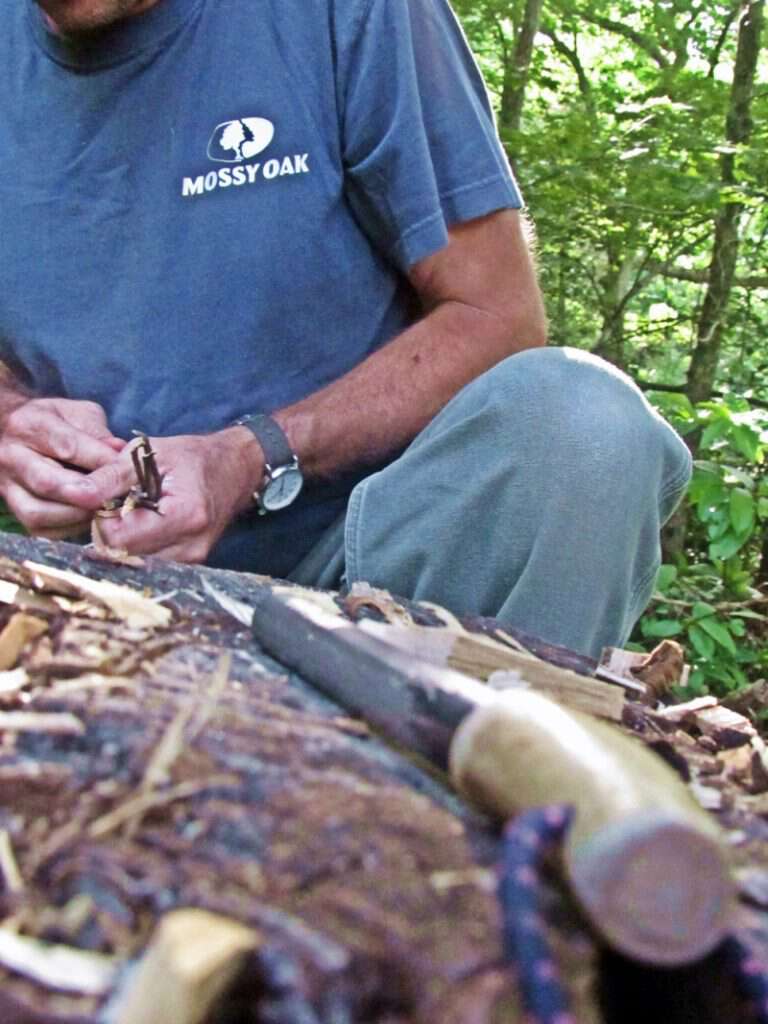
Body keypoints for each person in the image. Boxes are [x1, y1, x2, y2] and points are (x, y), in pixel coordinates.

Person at [0, 0, 691, 657]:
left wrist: (248, 456)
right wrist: (13, 423)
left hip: (363, 579)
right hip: (84, 587)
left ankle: (506, 755)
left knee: (583, 422)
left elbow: (497, 316)